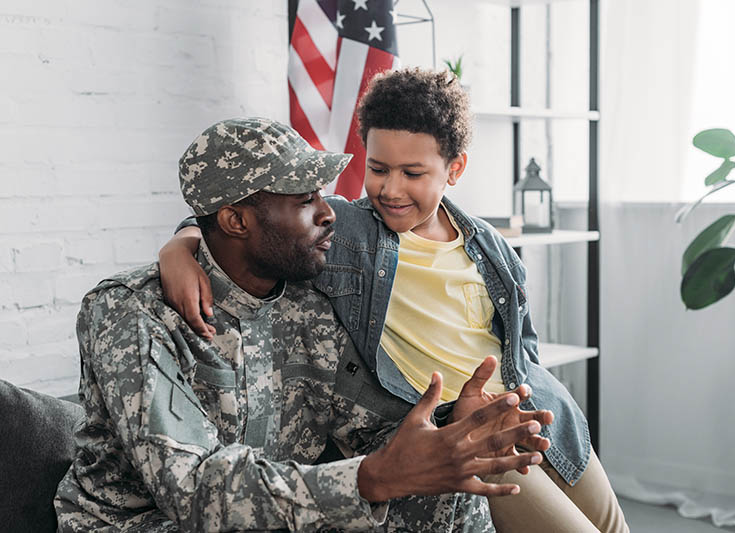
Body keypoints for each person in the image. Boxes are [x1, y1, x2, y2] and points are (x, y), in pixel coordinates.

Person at [160, 69, 629, 533]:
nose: (391, 188)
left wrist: (520, 398)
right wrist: (180, 247)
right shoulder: (345, 232)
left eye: (413, 173)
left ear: (455, 169)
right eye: (379, 168)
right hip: (458, 433)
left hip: (541, 411)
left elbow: (521, 346)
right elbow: (233, 218)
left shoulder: (491, 247)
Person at [54, 117, 554, 533]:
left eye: (322, 195)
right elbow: (193, 489)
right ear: (236, 221)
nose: (328, 213)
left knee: (450, 499)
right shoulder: (130, 313)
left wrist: (450, 425)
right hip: (141, 523)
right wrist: (369, 480)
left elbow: (371, 428)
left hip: (274, 512)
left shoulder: (307, 306)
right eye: (303, 200)